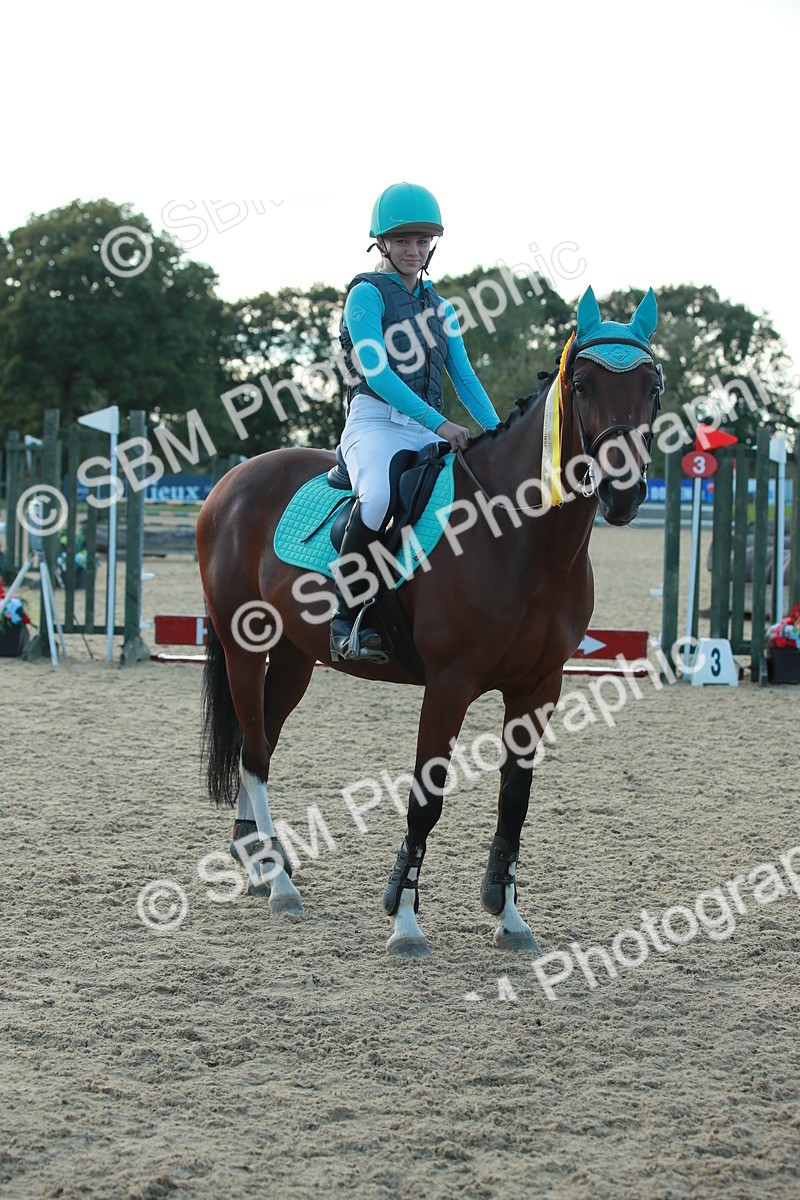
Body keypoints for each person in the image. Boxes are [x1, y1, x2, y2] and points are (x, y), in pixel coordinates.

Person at [330, 181, 501, 663]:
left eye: (422, 241)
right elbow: (377, 372)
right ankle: (346, 617)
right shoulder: (365, 295)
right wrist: (441, 424)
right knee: (380, 497)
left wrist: (497, 433)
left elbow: (464, 378)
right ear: (381, 242)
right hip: (374, 422)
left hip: (426, 426)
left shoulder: (441, 306)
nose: (413, 250)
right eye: (403, 240)